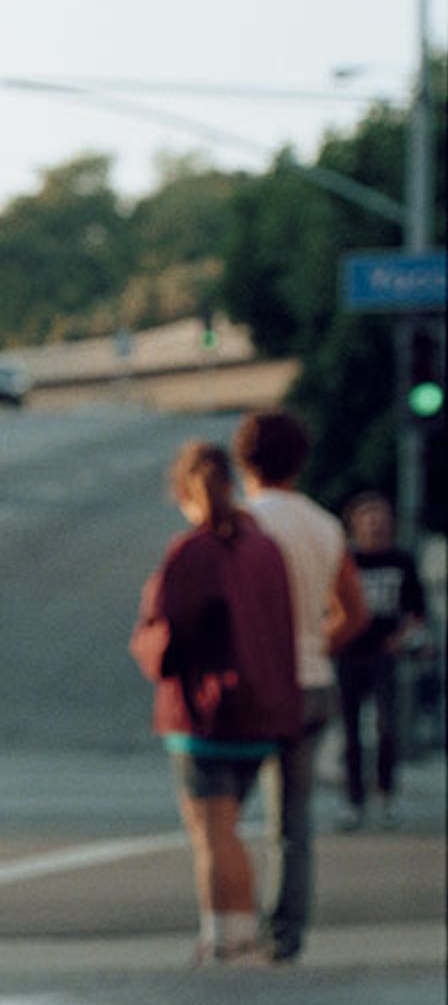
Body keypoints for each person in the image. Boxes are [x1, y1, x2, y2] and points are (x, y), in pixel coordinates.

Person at [135, 437, 306, 963]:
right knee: (229, 830)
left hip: (202, 711)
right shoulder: (263, 548)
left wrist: (147, 642)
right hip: (261, 711)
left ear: (185, 492)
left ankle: (221, 937)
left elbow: (170, 633)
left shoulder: (191, 551)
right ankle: (242, 932)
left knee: (212, 834)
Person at [232, 410, 364, 958]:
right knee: (293, 821)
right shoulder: (325, 525)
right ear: (301, 462)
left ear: (244, 461)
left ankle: (227, 926)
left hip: (255, 686)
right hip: (312, 684)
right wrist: (316, 645)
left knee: (221, 812)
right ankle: (285, 934)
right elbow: (353, 612)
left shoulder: (239, 522)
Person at [339, 490, 425, 828]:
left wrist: (401, 639)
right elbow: (329, 604)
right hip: (349, 652)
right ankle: (353, 800)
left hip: (383, 655)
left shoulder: (401, 561)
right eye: (367, 518)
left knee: (387, 727)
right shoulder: (347, 561)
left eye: (380, 517)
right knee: (350, 731)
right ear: (356, 524)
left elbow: (416, 610)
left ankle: (385, 795)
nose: (374, 524)